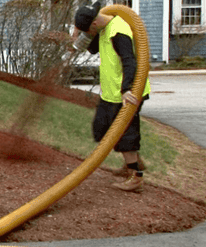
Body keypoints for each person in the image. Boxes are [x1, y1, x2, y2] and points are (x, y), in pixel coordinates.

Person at [72, 1, 151, 191]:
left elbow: (129, 62)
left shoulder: (118, 31)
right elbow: (92, 48)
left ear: (93, 25)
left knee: (125, 135)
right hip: (110, 93)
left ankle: (136, 177)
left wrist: (128, 90)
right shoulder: (103, 28)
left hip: (126, 94)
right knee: (100, 129)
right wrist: (78, 37)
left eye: (87, 31)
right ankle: (132, 162)